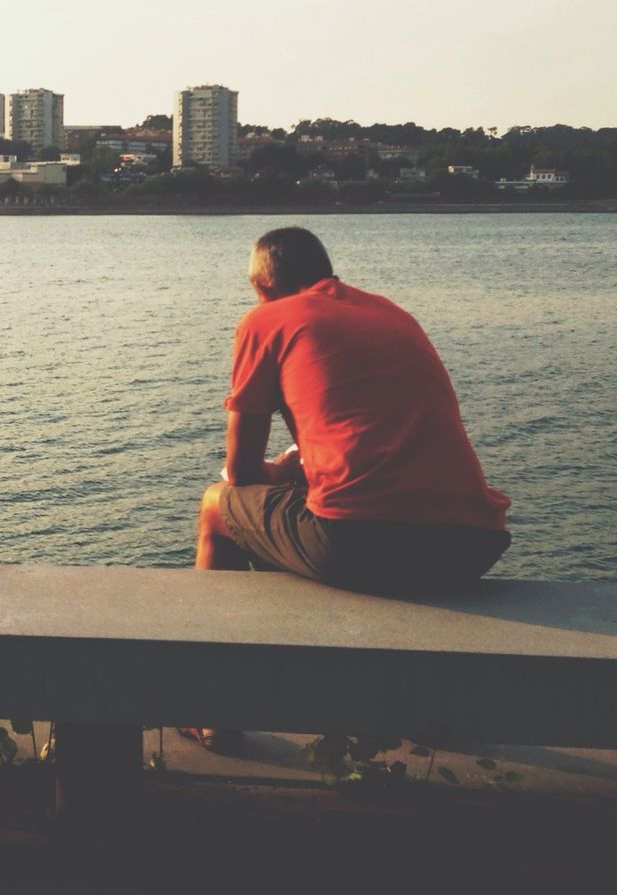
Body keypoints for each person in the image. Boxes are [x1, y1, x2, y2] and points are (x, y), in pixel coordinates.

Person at [183, 227, 511, 751]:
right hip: (472, 544)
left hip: (362, 542)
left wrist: (282, 473)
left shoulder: (267, 319)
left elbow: (241, 472)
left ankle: (211, 710)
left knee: (217, 507)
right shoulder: (391, 313)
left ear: (263, 285)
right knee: (300, 518)